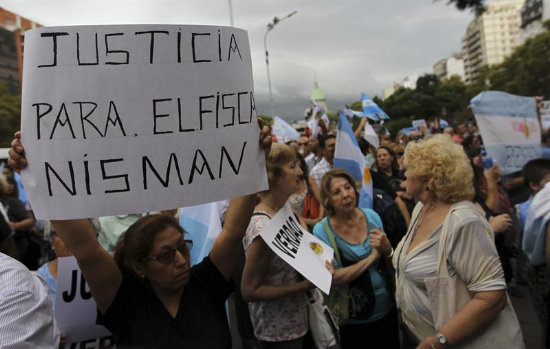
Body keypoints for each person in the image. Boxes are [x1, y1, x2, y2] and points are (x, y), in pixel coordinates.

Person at [8, 123, 272, 349]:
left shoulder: (205, 284)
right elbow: (86, 250)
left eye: (183, 247)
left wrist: (254, 156)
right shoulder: (125, 301)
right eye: (166, 255)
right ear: (138, 265)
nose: (181, 261)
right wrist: (37, 175)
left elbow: (233, 231)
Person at [392, 134, 520, 349]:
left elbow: (492, 297)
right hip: (418, 335)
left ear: (427, 179)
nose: (404, 173)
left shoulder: (463, 221)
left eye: (410, 168)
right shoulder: (420, 209)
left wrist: (438, 341)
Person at [313, 169, 399, 349]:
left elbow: (389, 260)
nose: (345, 195)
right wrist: (373, 257)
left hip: (388, 310)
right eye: (337, 192)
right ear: (328, 200)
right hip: (353, 320)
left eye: (348, 187)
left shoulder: (372, 216)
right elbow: (333, 279)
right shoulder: (322, 231)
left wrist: (388, 249)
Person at [241, 143, 314, 348]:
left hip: (299, 320)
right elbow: (249, 291)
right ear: (272, 176)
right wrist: (304, 286)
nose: (300, 172)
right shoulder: (262, 227)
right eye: (292, 166)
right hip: (278, 334)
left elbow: (301, 233)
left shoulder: (284, 205)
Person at [288, 152, 324, 229]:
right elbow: (291, 215)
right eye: (293, 164)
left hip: (318, 225)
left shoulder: (308, 180)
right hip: (296, 228)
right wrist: (311, 222)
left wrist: (320, 220)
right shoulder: (283, 187)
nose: (299, 171)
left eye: (297, 161)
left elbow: (322, 202)